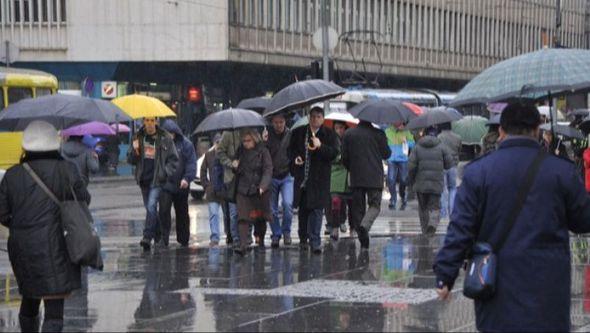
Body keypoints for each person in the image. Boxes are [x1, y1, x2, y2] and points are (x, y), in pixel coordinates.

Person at [434, 103, 590, 332]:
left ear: (501, 131)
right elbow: (583, 221)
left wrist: (446, 275)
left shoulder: (478, 172)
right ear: (537, 129)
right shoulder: (560, 171)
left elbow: (461, 228)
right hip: (548, 289)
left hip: (497, 286)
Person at [0, 121, 91, 333]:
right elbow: (84, 199)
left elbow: (3, 214)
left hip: (22, 247)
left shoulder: (12, 175)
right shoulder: (67, 170)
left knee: (30, 297)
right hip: (57, 245)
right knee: (53, 308)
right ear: (55, 144)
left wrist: (22, 226)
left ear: (26, 147)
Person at [288, 107, 339, 254]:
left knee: (317, 210)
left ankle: (315, 241)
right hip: (303, 178)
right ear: (309, 118)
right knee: (303, 210)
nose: (315, 119)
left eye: (318, 117)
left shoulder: (329, 134)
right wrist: (295, 158)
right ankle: (303, 238)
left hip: (319, 179)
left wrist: (320, 146)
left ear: (322, 118)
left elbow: (334, 153)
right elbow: (290, 151)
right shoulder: (299, 133)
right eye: (313, 116)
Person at [127, 117, 179, 251]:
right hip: (144, 179)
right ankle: (159, 236)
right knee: (150, 210)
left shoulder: (165, 137)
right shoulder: (137, 137)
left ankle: (147, 237)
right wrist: (135, 150)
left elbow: (174, 159)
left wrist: (165, 172)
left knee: (151, 206)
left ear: (156, 121)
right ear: (144, 122)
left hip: (157, 179)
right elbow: (131, 159)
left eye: (152, 120)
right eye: (147, 120)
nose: (149, 123)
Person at [342, 120, 391, 249]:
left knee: (358, 208)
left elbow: (344, 158)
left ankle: (363, 239)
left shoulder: (349, 134)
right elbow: (387, 154)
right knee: (374, 206)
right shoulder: (379, 134)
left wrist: (352, 168)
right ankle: (365, 226)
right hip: (375, 177)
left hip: (356, 176)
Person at [408, 126, 453, 236]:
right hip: (436, 183)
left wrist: (412, 180)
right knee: (435, 206)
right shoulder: (442, 146)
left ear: (424, 134)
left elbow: (411, 167)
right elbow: (449, 164)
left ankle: (425, 230)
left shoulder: (417, 147)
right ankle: (432, 224)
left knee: (423, 208)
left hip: (420, 183)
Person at [234, 129, 273, 255]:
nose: (246, 143)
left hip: (258, 189)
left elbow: (268, 169)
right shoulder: (240, 151)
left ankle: (260, 238)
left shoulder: (263, 151)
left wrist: (263, 185)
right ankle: (243, 244)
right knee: (243, 217)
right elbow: (238, 170)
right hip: (243, 188)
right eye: (244, 141)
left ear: (255, 139)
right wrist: (235, 165)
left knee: (260, 218)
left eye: (248, 141)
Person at [159, 120, 197, 247]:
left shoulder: (186, 144)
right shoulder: (160, 144)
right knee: (164, 211)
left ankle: (183, 238)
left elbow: (191, 163)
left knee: (182, 212)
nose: (170, 135)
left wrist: (187, 178)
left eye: (171, 133)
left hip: (182, 184)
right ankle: (163, 239)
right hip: (166, 184)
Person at [267, 114, 294, 248]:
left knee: (288, 205)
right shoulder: (267, 135)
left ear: (285, 122)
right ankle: (276, 234)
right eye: (276, 122)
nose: (278, 125)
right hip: (271, 176)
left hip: (287, 175)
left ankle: (286, 231)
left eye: (281, 122)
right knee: (271, 209)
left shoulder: (290, 135)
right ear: (272, 122)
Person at [216, 130, 242, 249]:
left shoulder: (249, 131)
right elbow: (220, 153)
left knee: (246, 210)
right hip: (230, 179)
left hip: (245, 178)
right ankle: (235, 238)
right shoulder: (227, 134)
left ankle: (246, 237)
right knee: (233, 212)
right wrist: (231, 163)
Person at [328, 121, 354, 241]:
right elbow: (329, 157)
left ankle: (352, 228)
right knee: (335, 202)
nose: (339, 130)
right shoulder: (330, 140)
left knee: (351, 204)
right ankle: (334, 227)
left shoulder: (350, 139)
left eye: (341, 128)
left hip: (349, 176)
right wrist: (340, 157)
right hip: (335, 176)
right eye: (337, 128)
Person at [201, 134, 225, 246]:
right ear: (214, 144)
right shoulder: (208, 155)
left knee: (228, 215)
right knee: (214, 214)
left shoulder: (226, 155)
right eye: (217, 143)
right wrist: (206, 186)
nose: (219, 145)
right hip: (213, 191)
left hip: (225, 190)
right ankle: (215, 237)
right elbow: (202, 171)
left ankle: (230, 236)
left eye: (221, 142)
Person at [385, 122, 414, 210]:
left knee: (404, 179)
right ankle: (393, 199)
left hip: (403, 159)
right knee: (391, 179)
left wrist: (406, 142)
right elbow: (384, 144)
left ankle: (402, 195)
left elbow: (413, 144)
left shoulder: (406, 131)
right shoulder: (387, 131)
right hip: (391, 159)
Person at [437, 123, 461, 219]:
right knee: (453, 188)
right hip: (453, 165)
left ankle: (443, 213)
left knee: (443, 189)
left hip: (442, 165)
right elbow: (459, 149)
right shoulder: (457, 137)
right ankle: (452, 212)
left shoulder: (439, 137)